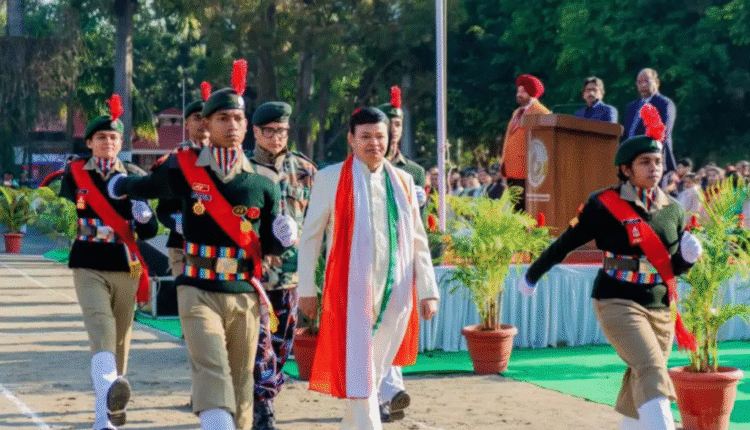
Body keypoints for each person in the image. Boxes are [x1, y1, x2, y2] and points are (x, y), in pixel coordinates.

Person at [109, 60, 294, 430]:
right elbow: (149, 185)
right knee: (210, 365)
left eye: (238, 119)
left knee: (242, 381)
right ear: (206, 124)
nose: (231, 125)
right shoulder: (184, 167)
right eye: (222, 118)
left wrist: (284, 238)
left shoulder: (263, 185)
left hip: (243, 291)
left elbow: (271, 248)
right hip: (196, 286)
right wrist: (120, 185)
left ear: (247, 126)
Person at [517, 122, 703, 430]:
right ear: (626, 169)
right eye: (645, 162)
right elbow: (566, 243)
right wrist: (533, 275)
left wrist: (687, 259)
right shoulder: (603, 205)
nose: (654, 168)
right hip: (617, 300)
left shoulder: (673, 210)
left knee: (642, 372)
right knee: (651, 367)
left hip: (660, 306)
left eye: (658, 162)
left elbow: (670, 269)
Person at [297, 107, 440, 430]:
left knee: (373, 371)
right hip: (349, 292)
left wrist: (428, 291)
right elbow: (310, 237)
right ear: (351, 139)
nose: (374, 143)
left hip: (397, 293)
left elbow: (418, 239)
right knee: (359, 369)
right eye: (365, 137)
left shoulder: (402, 180)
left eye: (380, 137)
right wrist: (306, 289)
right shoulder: (331, 178)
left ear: (390, 139)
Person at [59, 94, 159, 430]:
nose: (108, 143)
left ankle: (113, 404)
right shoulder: (74, 173)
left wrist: (144, 216)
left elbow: (149, 231)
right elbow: (71, 209)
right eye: (101, 137)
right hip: (87, 260)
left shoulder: (133, 175)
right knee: (101, 328)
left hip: (124, 262)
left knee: (120, 338)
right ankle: (103, 416)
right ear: (89, 142)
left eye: (114, 137)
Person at [247, 101, 317, 430]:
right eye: (270, 131)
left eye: (282, 131)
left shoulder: (304, 169)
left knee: (281, 343)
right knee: (258, 342)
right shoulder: (242, 168)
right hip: (252, 273)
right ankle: (263, 406)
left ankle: (265, 394)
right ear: (256, 131)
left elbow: (318, 221)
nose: (276, 137)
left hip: (291, 273)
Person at [155, 85, 211, 277]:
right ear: (186, 124)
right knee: (184, 292)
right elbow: (163, 209)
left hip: (221, 248)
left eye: (207, 118)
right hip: (182, 245)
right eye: (197, 118)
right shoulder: (173, 162)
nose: (203, 123)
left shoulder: (230, 160)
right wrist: (177, 222)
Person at [500, 74, 551, 210]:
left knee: (525, 211)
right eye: (518, 91)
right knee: (516, 210)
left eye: (523, 91)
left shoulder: (541, 112)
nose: (518, 94)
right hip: (512, 170)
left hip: (528, 171)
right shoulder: (517, 112)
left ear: (532, 92)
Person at [622, 68, 677, 174]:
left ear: (657, 82)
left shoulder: (665, 103)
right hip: (631, 160)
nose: (643, 85)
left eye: (647, 81)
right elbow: (626, 134)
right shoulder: (631, 106)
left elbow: (663, 133)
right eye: (639, 82)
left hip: (654, 161)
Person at [379, 86, 427, 208]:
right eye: (389, 124)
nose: (394, 129)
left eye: (398, 124)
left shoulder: (416, 171)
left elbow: (420, 218)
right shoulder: (365, 166)